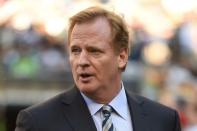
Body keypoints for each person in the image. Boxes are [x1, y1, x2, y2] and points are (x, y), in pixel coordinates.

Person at [15, 6, 181, 131]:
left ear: (122, 57)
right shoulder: (38, 122)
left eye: (94, 51)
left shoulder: (164, 120)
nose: (82, 61)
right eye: (75, 50)